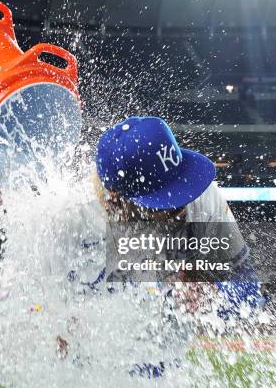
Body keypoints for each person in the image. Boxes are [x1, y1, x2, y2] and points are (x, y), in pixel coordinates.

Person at [58, 116, 257, 380]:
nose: (184, 205)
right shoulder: (71, 222)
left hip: (166, 371)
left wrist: (215, 297)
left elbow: (249, 286)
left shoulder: (205, 198)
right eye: (167, 203)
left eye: (182, 186)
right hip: (88, 372)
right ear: (119, 203)